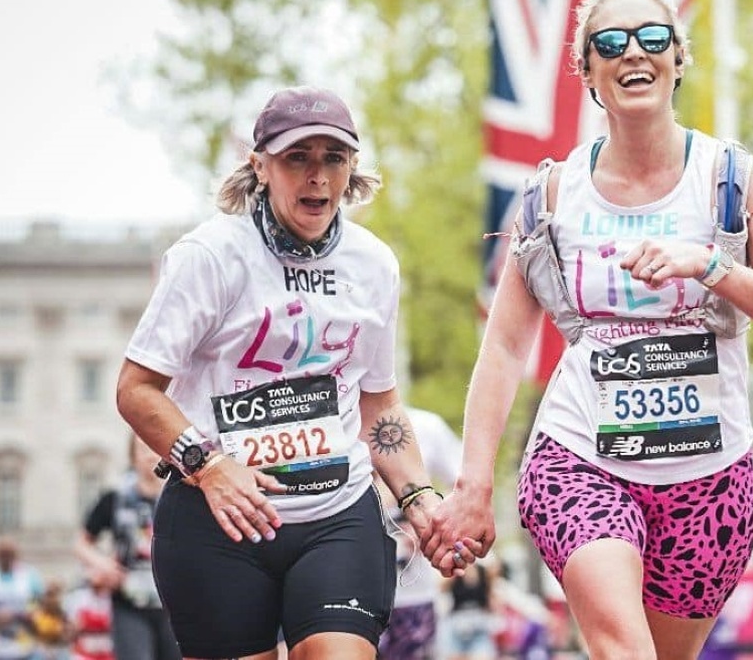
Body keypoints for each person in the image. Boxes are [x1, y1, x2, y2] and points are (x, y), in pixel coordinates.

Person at [422, 0, 753, 660]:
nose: (632, 52)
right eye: (609, 43)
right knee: (621, 647)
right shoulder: (550, 196)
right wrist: (472, 486)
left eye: (652, 37)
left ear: (678, 57)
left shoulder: (731, 176)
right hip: (581, 456)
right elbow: (502, 352)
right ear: (586, 72)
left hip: (711, 475)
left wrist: (708, 263)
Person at [115, 86, 480, 660]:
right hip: (220, 524)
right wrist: (209, 467)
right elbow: (136, 390)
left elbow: (379, 406)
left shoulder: (373, 264)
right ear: (260, 166)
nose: (317, 176)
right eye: (296, 158)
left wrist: (418, 499)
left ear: (351, 168)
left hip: (337, 516)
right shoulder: (209, 256)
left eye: (332, 158)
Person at [74, 433, 181, 660]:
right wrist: (102, 564)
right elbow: (82, 543)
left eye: (154, 448)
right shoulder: (115, 499)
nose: (149, 456)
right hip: (129, 603)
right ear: (133, 457)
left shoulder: (180, 497)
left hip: (174, 604)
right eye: (142, 450)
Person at [377, 407, 462, 660]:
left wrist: (434, 520)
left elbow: (463, 485)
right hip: (346, 590)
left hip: (412, 594)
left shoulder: (426, 426)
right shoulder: (336, 421)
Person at [0, 538, 44, 660]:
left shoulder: (29, 576)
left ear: (16, 555)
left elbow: (37, 606)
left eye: (9, 554)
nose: (6, 558)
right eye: (2, 554)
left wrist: (17, 615)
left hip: (24, 646)